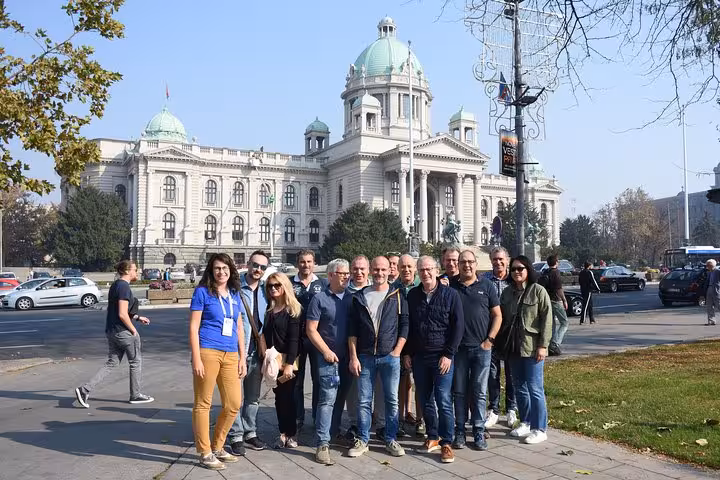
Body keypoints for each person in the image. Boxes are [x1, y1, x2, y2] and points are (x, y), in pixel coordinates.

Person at [188, 253, 247, 470]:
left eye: (225, 268)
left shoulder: (234, 293)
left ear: (231, 270)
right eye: (217, 269)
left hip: (231, 354)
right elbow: (194, 327)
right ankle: (204, 452)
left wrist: (242, 357)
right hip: (207, 351)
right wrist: (196, 358)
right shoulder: (202, 292)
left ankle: (218, 446)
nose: (221, 272)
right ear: (211, 272)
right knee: (203, 403)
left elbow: (239, 327)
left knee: (234, 403)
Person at [404, 256, 464, 464]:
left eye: (429, 269)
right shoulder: (413, 296)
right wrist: (407, 353)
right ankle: (432, 436)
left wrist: (449, 354)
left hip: (442, 356)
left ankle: (447, 442)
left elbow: (458, 327)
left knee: (443, 399)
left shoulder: (450, 295)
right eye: (422, 270)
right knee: (425, 398)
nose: (425, 273)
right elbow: (409, 327)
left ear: (437, 270)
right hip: (420, 356)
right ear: (417, 273)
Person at [347, 256, 408, 458]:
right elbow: (352, 330)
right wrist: (353, 356)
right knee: (364, 400)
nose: (380, 273)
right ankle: (363, 440)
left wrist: (397, 350)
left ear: (389, 271)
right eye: (376, 269)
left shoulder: (397, 294)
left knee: (391, 400)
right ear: (371, 271)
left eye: (383, 269)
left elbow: (405, 325)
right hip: (365, 356)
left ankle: (390, 439)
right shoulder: (360, 296)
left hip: (390, 356)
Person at [75, 260, 154, 409]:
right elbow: (122, 314)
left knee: (112, 363)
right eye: (135, 270)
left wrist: (137, 317)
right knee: (135, 362)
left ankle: (84, 389)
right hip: (123, 332)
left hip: (111, 330)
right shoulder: (124, 287)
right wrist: (133, 330)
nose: (137, 272)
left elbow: (119, 311)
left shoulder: (116, 285)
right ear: (127, 271)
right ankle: (135, 395)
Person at [451, 250, 502, 451]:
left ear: (476, 264)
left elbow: (497, 315)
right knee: (460, 392)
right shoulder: (451, 286)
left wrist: (489, 340)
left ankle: (479, 431)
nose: (467, 266)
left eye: (471, 262)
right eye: (463, 262)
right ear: (458, 264)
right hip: (459, 349)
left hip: (482, 348)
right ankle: (460, 431)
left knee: (480, 392)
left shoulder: (487, 286)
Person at [500, 255, 552, 445]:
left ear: (528, 269)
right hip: (513, 348)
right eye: (513, 269)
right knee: (519, 388)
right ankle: (527, 422)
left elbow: (547, 319)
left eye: (520, 268)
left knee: (535, 389)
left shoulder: (538, 291)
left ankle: (540, 428)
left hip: (532, 348)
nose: (516, 272)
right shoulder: (507, 293)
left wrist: (543, 345)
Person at [306, 259, 352, 464]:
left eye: (347, 273)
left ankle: (333, 433)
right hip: (327, 359)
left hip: (347, 358)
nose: (346, 276)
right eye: (342, 273)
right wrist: (325, 351)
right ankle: (322, 443)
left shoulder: (352, 298)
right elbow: (311, 329)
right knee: (327, 400)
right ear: (331, 275)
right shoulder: (319, 299)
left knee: (341, 398)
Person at [227, 251, 270, 455]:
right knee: (235, 398)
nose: (258, 270)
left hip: (258, 352)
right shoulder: (234, 289)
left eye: (262, 267)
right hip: (236, 352)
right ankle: (235, 435)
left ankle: (250, 432)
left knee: (253, 397)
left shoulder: (266, 291)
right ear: (248, 264)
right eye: (255, 265)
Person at [263, 272, 302, 449]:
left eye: (277, 285)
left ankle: (291, 434)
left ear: (284, 286)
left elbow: (295, 339)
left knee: (289, 398)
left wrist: (288, 365)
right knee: (279, 399)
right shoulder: (269, 310)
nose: (273, 288)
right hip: (273, 362)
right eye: (270, 286)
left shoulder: (293, 309)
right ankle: (282, 432)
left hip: (288, 362)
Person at [290, 250, 327, 430]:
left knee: (319, 379)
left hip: (317, 339)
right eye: (303, 262)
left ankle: (317, 416)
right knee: (296, 380)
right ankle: (297, 418)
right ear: (297, 263)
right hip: (295, 340)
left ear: (314, 263)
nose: (306, 265)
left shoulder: (323, 284)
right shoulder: (289, 284)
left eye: (309, 261)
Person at [483, 246, 518, 429]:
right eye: (495, 259)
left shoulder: (515, 279)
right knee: (493, 373)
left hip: (510, 334)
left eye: (501, 259)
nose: (498, 262)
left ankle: (511, 408)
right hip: (491, 334)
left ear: (507, 260)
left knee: (512, 373)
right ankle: (494, 409)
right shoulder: (485, 280)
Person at [392, 254, 423, 437]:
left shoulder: (422, 286)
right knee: (400, 382)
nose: (406, 270)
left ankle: (420, 420)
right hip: (399, 342)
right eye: (402, 266)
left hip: (419, 341)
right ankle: (400, 419)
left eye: (409, 266)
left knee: (419, 382)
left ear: (415, 268)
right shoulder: (393, 288)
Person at [343, 255, 371, 440]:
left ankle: (380, 422)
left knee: (375, 388)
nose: (359, 272)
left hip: (371, 349)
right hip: (349, 347)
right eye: (355, 268)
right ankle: (354, 423)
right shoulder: (344, 292)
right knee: (352, 389)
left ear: (368, 270)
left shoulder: (375, 289)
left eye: (362, 269)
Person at [543, 255, 569, 355]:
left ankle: (549, 345)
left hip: (546, 300)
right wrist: (564, 300)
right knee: (564, 322)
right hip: (555, 300)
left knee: (552, 323)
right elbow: (559, 289)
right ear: (556, 262)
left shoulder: (545, 272)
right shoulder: (556, 273)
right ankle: (555, 343)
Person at [704, 259, 720, 326]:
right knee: (709, 305)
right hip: (709, 289)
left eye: (708, 265)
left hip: (717, 289)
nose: (707, 266)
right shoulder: (709, 272)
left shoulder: (718, 271)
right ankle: (711, 321)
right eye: (707, 265)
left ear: (712, 265)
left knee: (718, 304)